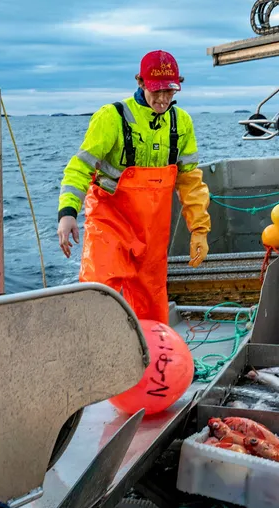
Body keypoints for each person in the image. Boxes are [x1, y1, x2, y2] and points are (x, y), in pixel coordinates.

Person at [56, 50, 211, 324]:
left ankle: (150, 364)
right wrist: (68, 213)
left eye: (170, 91)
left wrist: (199, 230)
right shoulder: (111, 117)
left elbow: (190, 182)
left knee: (152, 308)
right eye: (157, 90)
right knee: (97, 296)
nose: (164, 99)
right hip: (110, 226)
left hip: (152, 235)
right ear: (140, 82)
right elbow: (79, 167)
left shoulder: (182, 123)